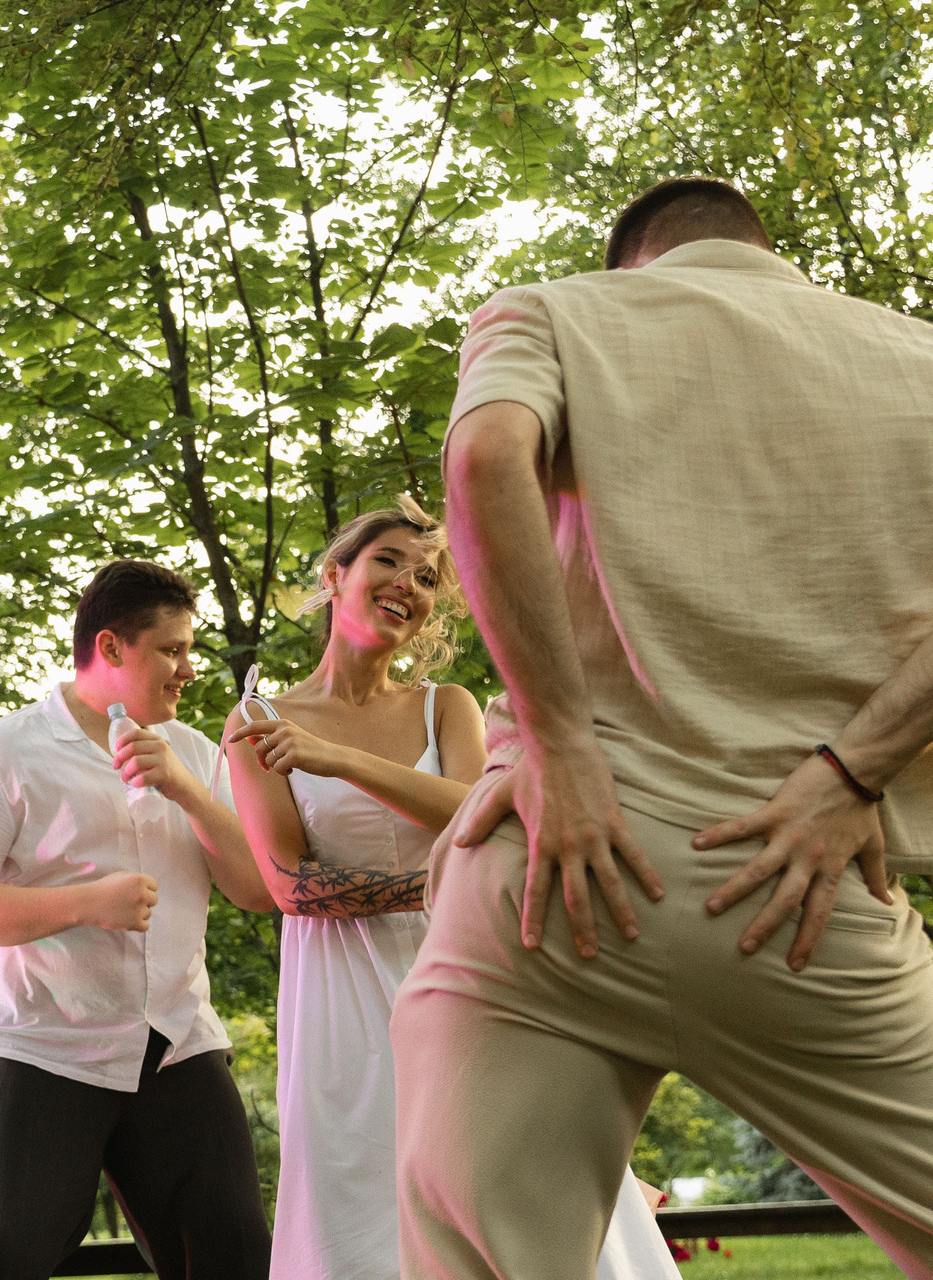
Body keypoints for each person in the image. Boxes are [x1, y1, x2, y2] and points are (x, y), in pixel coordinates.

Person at [392, 175, 933, 1279]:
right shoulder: (919, 357)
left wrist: (560, 742)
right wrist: (853, 770)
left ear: (632, 261)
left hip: (550, 868)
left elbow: (485, 459)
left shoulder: (549, 312)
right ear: (763, 249)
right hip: (799, 881)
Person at [223, 499, 678, 1280]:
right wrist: (442, 883)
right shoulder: (256, 720)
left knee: (516, 1177)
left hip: (470, 975)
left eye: (428, 576)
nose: (409, 582)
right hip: (341, 1000)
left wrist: (338, 759)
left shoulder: (448, 706)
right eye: (388, 561)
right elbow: (293, 886)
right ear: (335, 575)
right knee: (365, 1201)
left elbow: (479, 816)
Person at [0, 559, 276, 1280]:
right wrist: (88, 903)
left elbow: (257, 889)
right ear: (111, 646)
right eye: (172, 650)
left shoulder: (196, 754)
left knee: (234, 1255)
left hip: (174, 1043)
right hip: (33, 1044)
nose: (188, 669)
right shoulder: (3, 753)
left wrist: (185, 789)